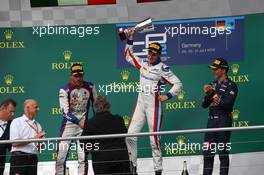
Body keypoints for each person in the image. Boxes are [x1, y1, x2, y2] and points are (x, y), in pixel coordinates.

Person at [124, 29, 183, 175]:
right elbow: (128, 56)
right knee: (130, 135)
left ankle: (158, 170)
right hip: (140, 103)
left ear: (159, 55)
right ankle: (133, 167)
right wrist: (130, 39)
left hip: (154, 106)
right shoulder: (143, 64)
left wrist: (168, 95)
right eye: (149, 52)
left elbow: (178, 84)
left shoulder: (163, 68)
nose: (150, 55)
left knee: (154, 139)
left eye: (154, 54)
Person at [56, 63, 97, 175]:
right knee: (60, 157)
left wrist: (95, 122)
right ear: (71, 75)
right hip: (68, 127)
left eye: (80, 75)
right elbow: (65, 112)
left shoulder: (90, 87)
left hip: (83, 127)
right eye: (76, 76)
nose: (78, 78)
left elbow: (96, 106)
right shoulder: (64, 90)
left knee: (82, 158)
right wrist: (78, 122)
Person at [202, 58, 238, 175]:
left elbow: (227, 105)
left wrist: (212, 93)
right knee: (207, 154)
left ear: (223, 70)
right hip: (211, 122)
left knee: (222, 153)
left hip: (224, 121)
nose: (213, 71)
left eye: (216, 69)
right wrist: (208, 94)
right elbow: (204, 105)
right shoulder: (211, 84)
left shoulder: (231, 85)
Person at [81, 95, 131, 175]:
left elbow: (83, 144)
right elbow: (124, 134)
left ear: (94, 108)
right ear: (109, 107)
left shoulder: (90, 123)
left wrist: (94, 150)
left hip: (101, 161)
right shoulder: (118, 119)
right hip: (121, 160)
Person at [9, 99, 45, 175]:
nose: (38, 109)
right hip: (19, 158)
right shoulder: (16, 122)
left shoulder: (38, 125)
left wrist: (41, 144)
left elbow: (40, 148)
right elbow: (14, 143)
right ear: (27, 108)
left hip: (33, 158)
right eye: (36, 107)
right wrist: (34, 139)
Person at [0, 99, 16, 175]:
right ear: (2, 108)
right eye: (11, 111)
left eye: (14, 112)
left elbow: (12, 146)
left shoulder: (12, 125)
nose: (12, 114)